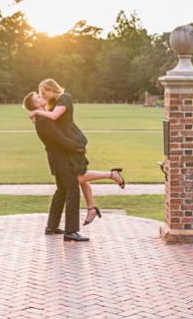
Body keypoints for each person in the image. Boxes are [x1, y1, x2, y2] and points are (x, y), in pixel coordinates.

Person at [28, 78, 125, 226]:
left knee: (75, 178)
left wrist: (35, 112)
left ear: (51, 90)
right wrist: (37, 113)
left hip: (74, 140)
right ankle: (92, 207)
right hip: (68, 143)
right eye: (40, 94)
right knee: (77, 175)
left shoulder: (65, 98)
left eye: (43, 92)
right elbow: (49, 118)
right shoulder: (51, 104)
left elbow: (53, 117)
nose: (43, 96)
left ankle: (111, 175)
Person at [24, 91, 89, 242]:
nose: (42, 96)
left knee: (62, 191)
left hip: (56, 160)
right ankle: (70, 232)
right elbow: (62, 140)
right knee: (73, 191)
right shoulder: (44, 121)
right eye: (39, 97)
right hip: (61, 161)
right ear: (37, 104)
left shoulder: (42, 118)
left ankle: (52, 227)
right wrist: (80, 148)